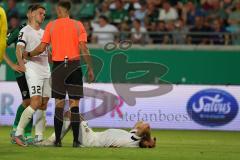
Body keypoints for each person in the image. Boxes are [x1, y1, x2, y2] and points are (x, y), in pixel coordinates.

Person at [23, 1, 94, 148]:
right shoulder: (78, 25)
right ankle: (76, 141)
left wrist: (28, 53)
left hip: (58, 67)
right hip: (74, 66)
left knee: (59, 104)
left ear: (60, 9)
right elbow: (83, 47)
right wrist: (90, 67)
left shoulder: (51, 25)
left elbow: (42, 47)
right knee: (75, 105)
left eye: (56, 9)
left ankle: (58, 141)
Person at [14, 4, 51, 147]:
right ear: (31, 14)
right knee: (35, 101)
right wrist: (22, 66)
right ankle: (18, 133)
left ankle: (39, 137)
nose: (43, 15)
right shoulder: (25, 31)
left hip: (46, 70)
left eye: (44, 14)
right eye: (41, 13)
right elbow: (19, 49)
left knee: (43, 104)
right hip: (33, 70)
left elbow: (47, 51)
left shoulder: (44, 32)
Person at [37, 112, 156, 148]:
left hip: (92, 141)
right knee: (76, 115)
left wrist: (150, 139)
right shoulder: (132, 135)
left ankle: (52, 141)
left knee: (70, 115)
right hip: (94, 136)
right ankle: (56, 140)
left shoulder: (135, 140)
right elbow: (140, 123)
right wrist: (149, 139)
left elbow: (146, 126)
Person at [4, 5, 34, 144]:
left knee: (33, 102)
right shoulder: (20, 29)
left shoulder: (40, 31)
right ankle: (15, 130)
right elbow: (1, 45)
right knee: (28, 101)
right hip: (21, 71)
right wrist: (11, 64)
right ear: (28, 15)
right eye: (34, 13)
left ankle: (27, 134)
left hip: (35, 71)